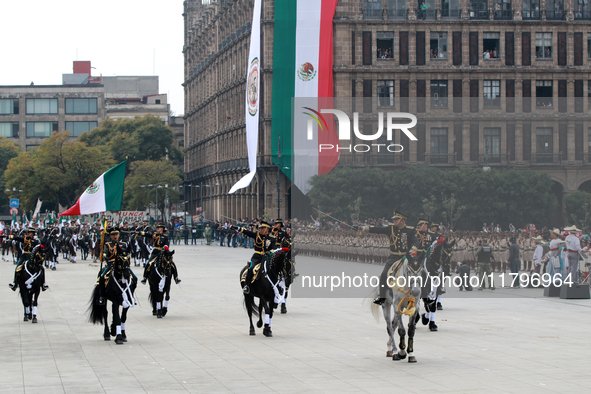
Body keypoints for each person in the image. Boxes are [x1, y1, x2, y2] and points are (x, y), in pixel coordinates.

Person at [368, 211, 418, 305]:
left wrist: (412, 251)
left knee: (418, 273)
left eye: (396, 219)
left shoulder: (410, 230)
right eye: (394, 220)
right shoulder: (390, 229)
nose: (394, 221)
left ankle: (423, 295)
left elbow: (415, 242)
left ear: (402, 221)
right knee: (383, 275)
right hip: (394, 257)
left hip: (406, 257)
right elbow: (378, 229)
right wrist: (363, 228)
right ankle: (382, 297)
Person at [235, 221, 273, 294]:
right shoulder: (256, 235)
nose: (260, 230)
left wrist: (270, 252)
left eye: (262, 228)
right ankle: (247, 285)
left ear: (266, 229)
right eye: (260, 228)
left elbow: (274, 248)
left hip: (267, 257)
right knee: (251, 268)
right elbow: (246, 232)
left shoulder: (271, 238)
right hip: (257, 257)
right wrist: (238, 228)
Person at [8, 227, 48, 291]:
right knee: (18, 267)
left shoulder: (36, 241)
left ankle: (42, 284)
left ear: (32, 234)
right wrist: (8, 236)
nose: (27, 234)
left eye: (29, 233)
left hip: (33, 256)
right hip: (25, 255)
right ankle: (15, 284)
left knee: (42, 268)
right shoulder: (25, 239)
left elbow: (39, 249)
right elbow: (16, 238)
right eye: (27, 232)